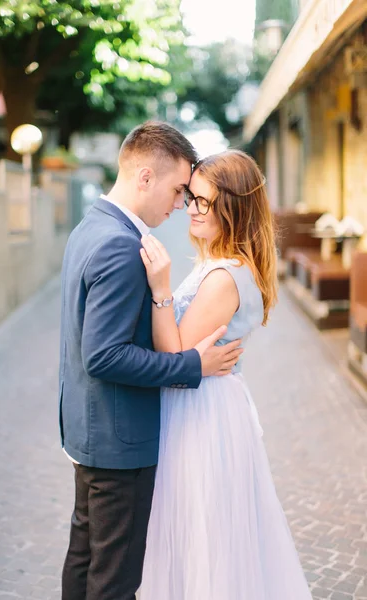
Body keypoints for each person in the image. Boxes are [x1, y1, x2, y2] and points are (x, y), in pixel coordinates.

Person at [59, 122, 244, 600]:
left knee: (85, 557)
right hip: (121, 438)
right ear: (145, 177)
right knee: (114, 579)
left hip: (88, 429)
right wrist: (191, 367)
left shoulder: (92, 225)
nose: (181, 203)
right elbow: (103, 355)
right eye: (179, 189)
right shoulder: (122, 245)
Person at [139, 150, 313, 599]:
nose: (191, 210)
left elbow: (175, 353)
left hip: (200, 409)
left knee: (202, 532)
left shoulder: (224, 275)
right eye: (191, 198)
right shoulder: (222, 263)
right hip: (207, 399)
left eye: (203, 201)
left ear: (232, 206)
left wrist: (160, 290)